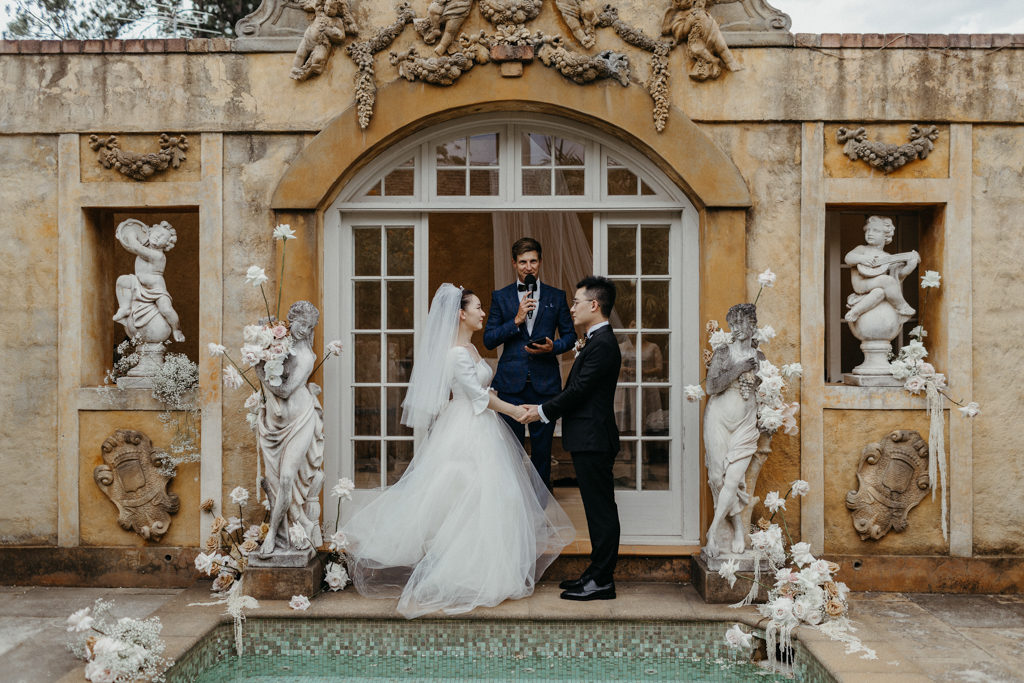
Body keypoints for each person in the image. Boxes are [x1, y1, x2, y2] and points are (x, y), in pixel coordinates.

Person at [342, 284, 574, 619]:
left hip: (483, 425)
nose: (484, 313)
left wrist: (507, 405)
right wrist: (516, 411)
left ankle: (485, 566)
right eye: (478, 307)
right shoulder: (454, 353)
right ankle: (458, 571)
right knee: (466, 495)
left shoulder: (471, 349)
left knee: (492, 498)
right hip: (467, 427)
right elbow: (479, 398)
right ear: (461, 314)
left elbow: (483, 389)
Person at [520, 276, 622, 601]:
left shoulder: (604, 344)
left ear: (594, 305)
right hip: (587, 438)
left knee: (601, 511)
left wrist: (541, 411)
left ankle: (603, 580)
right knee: (595, 510)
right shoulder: (593, 340)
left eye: (576, 301)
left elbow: (578, 392)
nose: (572, 307)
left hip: (594, 439)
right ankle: (595, 572)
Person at [484, 238, 577, 489]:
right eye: (523, 262)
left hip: (544, 386)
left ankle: (541, 511)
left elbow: (571, 337)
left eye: (533, 261)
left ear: (540, 263)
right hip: (509, 387)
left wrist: (553, 347)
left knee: (542, 454)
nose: (528, 267)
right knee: (510, 454)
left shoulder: (557, 297)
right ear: (514, 264)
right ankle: (513, 511)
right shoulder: (501, 297)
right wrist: (516, 319)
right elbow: (489, 340)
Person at [702, 303, 764, 558]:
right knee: (719, 479)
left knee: (733, 478)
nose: (737, 329)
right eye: (733, 324)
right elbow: (711, 386)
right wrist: (739, 369)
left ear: (753, 326)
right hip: (718, 418)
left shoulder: (760, 358)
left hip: (745, 423)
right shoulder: (723, 352)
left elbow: (765, 390)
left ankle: (712, 532)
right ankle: (738, 528)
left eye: (741, 323)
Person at [113, 219, 185, 343]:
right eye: (157, 232)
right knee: (122, 281)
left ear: (167, 244)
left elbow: (135, 247)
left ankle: (176, 329)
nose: (158, 236)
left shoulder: (158, 256)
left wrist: (130, 235)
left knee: (166, 309)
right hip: (138, 284)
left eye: (163, 237)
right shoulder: (144, 246)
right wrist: (121, 233)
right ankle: (124, 308)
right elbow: (130, 245)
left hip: (156, 289)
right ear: (149, 232)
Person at [844, 215, 919, 322]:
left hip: (877, 286)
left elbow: (896, 275)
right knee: (886, 280)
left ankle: (856, 311)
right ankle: (901, 306)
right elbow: (848, 258)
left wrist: (910, 266)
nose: (870, 233)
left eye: (876, 231)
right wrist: (862, 259)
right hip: (861, 284)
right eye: (867, 230)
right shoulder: (862, 249)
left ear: (886, 235)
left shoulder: (887, 256)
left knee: (879, 292)